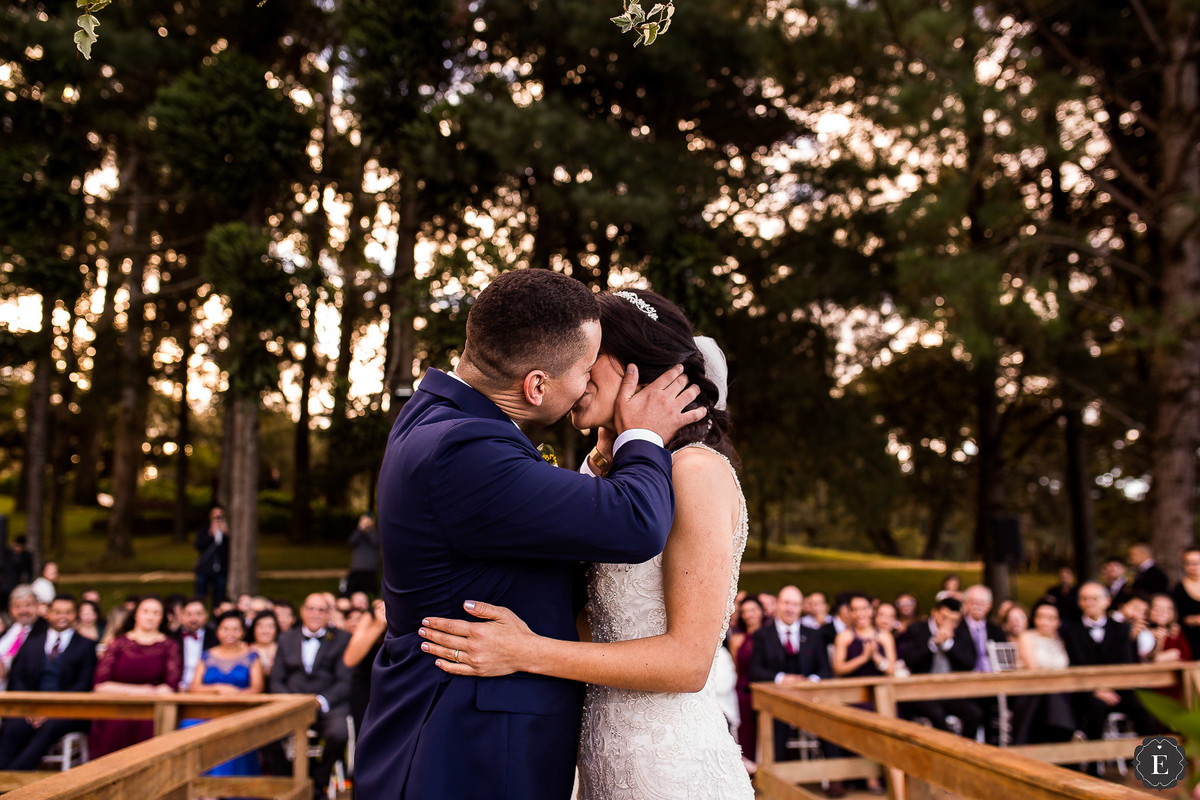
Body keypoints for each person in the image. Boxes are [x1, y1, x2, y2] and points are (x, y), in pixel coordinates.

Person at [355, 273, 706, 800]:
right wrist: (644, 436)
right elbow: (635, 524)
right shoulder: (464, 451)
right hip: (466, 750)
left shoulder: (437, 416)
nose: (588, 382)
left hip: (468, 734)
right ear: (536, 385)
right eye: (585, 369)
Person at [0, 594, 97, 770]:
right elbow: (18, 679)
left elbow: (83, 684)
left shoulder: (86, 646)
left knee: (48, 729)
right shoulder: (31, 644)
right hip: (30, 708)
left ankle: (13, 779)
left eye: (68, 612)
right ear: (48, 613)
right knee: (13, 728)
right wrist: (29, 708)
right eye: (58, 612)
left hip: (67, 711)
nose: (62, 617)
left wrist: (51, 709)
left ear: (75, 614)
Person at [270, 593, 352, 798]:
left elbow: (344, 680)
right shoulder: (286, 638)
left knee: (339, 733)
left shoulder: (342, 639)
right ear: (303, 611)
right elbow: (276, 679)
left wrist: (320, 700)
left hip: (326, 705)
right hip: (292, 704)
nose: (315, 614)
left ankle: (319, 781)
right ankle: (292, 780)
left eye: (321, 610)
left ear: (328, 614)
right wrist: (291, 703)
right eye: (311, 609)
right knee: (266, 736)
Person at [1060, 582, 1152, 751]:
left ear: (1107, 601)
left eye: (1095, 598)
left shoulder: (1122, 629)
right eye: (1084, 598)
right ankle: (1094, 766)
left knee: (1146, 708)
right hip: (1087, 692)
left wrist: (1110, 687)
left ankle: (1152, 767)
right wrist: (1095, 689)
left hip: (1120, 689)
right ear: (1079, 603)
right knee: (1095, 710)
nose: (1089, 602)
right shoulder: (1070, 631)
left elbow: (1126, 662)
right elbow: (1074, 665)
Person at [91, 595, 182, 758]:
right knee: (115, 730)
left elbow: (169, 688)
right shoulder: (118, 643)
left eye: (156, 612)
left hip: (153, 713)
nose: (150, 616)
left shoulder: (169, 646)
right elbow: (100, 686)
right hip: (117, 710)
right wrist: (144, 690)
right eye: (146, 611)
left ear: (162, 618)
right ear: (136, 614)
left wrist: (151, 694)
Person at [184, 610, 263, 777]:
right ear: (218, 631)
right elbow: (194, 687)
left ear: (242, 632)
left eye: (235, 629)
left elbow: (257, 688)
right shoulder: (207, 656)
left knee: (231, 732)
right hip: (206, 712)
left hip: (238, 710)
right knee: (189, 727)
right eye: (225, 629)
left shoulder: (252, 657)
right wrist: (218, 688)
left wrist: (237, 695)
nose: (230, 633)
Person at [897, 597, 983, 737]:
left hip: (951, 692)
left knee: (974, 713)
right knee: (936, 715)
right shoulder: (917, 629)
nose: (948, 623)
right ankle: (946, 751)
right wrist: (933, 644)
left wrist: (949, 645)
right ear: (935, 613)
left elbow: (970, 662)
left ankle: (966, 752)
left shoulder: (961, 631)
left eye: (954, 620)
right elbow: (910, 660)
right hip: (921, 692)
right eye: (944, 618)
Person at [1010, 601, 1074, 744]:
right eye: (1041, 617)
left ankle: (1062, 735)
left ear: (1058, 622)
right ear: (1035, 619)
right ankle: (1067, 733)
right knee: (1048, 695)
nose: (1045, 621)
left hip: (1059, 692)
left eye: (1050, 618)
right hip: (1030, 692)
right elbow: (1034, 669)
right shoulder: (1026, 637)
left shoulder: (1061, 642)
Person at [729, 594, 765, 770]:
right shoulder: (737, 639)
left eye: (753, 610)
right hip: (743, 690)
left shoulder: (769, 637)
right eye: (745, 611)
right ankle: (747, 765)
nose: (749, 614)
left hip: (764, 688)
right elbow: (736, 668)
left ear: (761, 611)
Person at [343, 598, 388, 739]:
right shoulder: (372, 616)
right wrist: (379, 625)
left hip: (401, 684)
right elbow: (350, 659)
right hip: (367, 687)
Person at [0, 585, 42, 691]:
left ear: (37, 606)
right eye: (18, 606)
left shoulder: (45, 632)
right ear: (10, 609)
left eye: (28, 605)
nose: (23, 611)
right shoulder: (8, 631)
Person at [172, 597, 217, 690]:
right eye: (189, 614)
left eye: (198, 614)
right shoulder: (172, 638)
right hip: (177, 690)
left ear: (206, 615)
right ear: (181, 615)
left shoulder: (215, 638)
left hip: (207, 690)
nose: (193, 618)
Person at [194, 506, 230, 608]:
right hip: (204, 569)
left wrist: (227, 534)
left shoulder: (226, 532)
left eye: (220, 517)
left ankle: (215, 618)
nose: (217, 519)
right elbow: (198, 546)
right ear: (210, 517)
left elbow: (228, 551)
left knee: (218, 597)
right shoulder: (205, 530)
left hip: (220, 570)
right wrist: (210, 535)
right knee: (200, 596)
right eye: (215, 517)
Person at [346, 515, 380, 596]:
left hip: (370, 571)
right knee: (349, 593)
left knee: (372, 594)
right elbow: (351, 541)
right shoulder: (359, 535)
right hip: (356, 570)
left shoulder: (375, 534)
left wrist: (369, 530)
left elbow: (376, 542)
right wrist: (360, 528)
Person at [248, 611, 280, 681]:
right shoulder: (246, 650)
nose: (265, 631)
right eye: (261, 626)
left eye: (270, 627)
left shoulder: (283, 650)